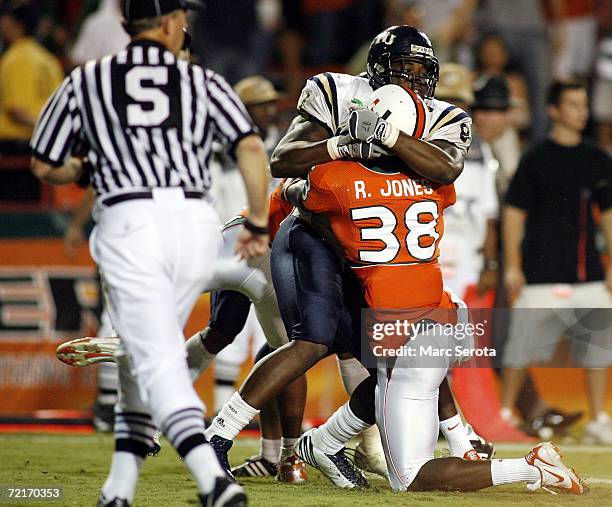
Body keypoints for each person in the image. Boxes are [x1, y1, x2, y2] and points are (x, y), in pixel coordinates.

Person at [205, 25, 488, 486]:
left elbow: (447, 167)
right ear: (377, 70)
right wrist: (343, 145)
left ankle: (331, 445)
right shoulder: (337, 92)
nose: (414, 80)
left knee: (402, 357)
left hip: (371, 251)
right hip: (316, 236)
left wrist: (387, 136)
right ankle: (223, 437)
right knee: (310, 341)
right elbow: (284, 162)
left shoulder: (443, 117)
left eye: (422, 71)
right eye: (404, 68)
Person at [284, 86, 584, 495]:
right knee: (394, 385)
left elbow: (296, 192)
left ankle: (532, 468)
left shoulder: (336, 179)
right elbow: (439, 171)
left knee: (410, 476)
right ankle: (326, 442)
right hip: (441, 317)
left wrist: (336, 150)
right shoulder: (437, 184)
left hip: (397, 332)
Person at [30, 1, 270, 506]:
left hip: (129, 223)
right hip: (194, 225)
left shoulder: (88, 79)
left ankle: (213, 481)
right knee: (145, 360)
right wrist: (257, 220)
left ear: (125, 25)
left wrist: (85, 170)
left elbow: (45, 163)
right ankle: (118, 489)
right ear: (169, 23)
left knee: (154, 360)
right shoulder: (200, 80)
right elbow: (249, 147)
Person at [501, 80, 612, 445]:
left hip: (588, 274)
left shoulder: (598, 159)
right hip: (540, 273)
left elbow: (609, 215)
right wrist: (513, 265)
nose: (582, 112)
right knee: (519, 348)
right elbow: (514, 214)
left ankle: (598, 418)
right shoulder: (535, 158)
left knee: (598, 348)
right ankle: (503, 415)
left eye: (584, 104)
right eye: (574, 104)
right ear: (554, 110)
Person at [0, 2, 63, 201]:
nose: (3, 24)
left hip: (15, 151)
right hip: (43, 148)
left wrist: (42, 127)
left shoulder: (14, 58)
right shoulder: (48, 60)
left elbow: (16, 110)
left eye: (7, 20)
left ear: (19, 25)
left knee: (15, 218)